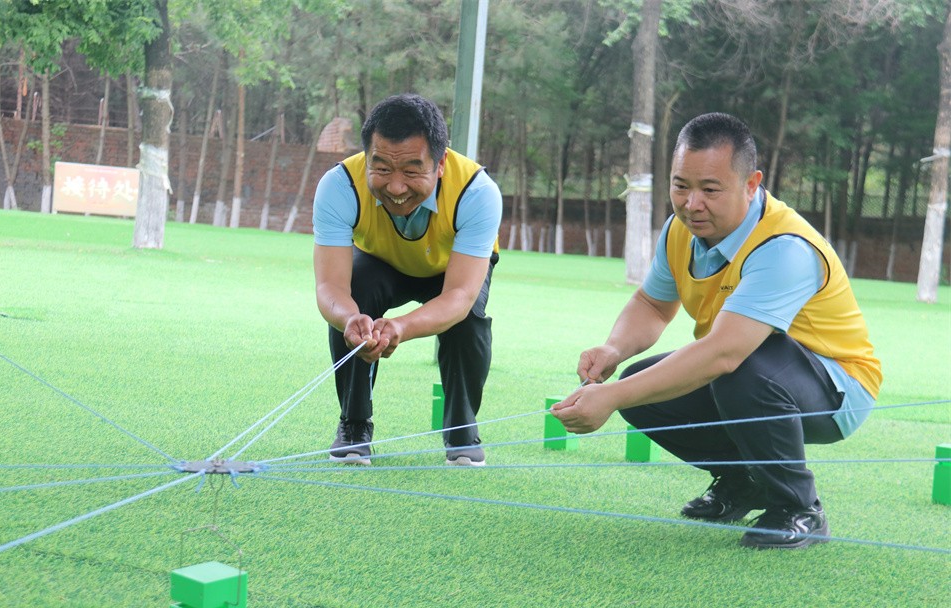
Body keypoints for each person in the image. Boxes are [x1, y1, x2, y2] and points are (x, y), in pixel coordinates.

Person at [551, 112, 882, 549]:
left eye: (710, 190)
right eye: (680, 186)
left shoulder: (784, 247)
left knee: (733, 369)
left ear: (751, 184)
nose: (691, 204)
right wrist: (614, 350)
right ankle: (743, 482)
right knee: (641, 386)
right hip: (746, 369)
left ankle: (799, 508)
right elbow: (653, 304)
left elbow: (725, 352)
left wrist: (609, 398)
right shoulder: (681, 231)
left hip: (837, 389)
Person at [312, 93, 503, 467]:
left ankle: (462, 432)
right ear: (367, 157)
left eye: (412, 172)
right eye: (382, 168)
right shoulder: (339, 185)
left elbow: (460, 295)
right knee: (356, 298)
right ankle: (353, 427)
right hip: (380, 262)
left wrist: (401, 327)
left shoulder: (477, 193)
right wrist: (349, 318)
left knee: (467, 320)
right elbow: (330, 287)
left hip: (451, 271)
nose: (396, 187)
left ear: (441, 164)